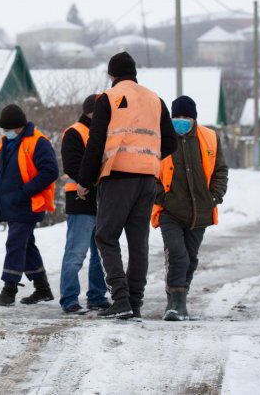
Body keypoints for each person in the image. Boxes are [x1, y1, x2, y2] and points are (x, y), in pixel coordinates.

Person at [77, 51, 177, 320]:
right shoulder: (155, 99)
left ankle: (120, 298)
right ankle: (135, 301)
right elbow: (171, 142)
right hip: (147, 179)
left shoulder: (108, 99)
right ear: (134, 73)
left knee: (105, 236)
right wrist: (148, 157)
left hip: (118, 176)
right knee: (138, 242)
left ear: (111, 75)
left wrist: (84, 181)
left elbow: (95, 143)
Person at [151, 95, 228, 321]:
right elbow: (150, 173)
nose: (181, 121)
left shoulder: (210, 138)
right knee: (178, 255)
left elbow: (220, 170)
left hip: (199, 211)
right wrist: (163, 199)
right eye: (177, 117)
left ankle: (179, 299)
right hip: (169, 212)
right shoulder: (161, 139)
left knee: (190, 259)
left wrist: (213, 197)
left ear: (194, 118)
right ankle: (174, 306)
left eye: (186, 117)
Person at [0, 104, 59, 306]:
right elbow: (1, 171)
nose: (5, 132)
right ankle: (43, 289)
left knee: (15, 243)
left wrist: (26, 191)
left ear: (18, 126)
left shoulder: (38, 142)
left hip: (28, 204)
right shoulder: (6, 143)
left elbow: (50, 171)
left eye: (7, 129)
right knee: (26, 246)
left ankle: (9, 289)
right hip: (12, 204)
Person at [59, 94, 110, 314]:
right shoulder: (75, 132)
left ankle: (97, 296)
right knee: (76, 252)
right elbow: (72, 165)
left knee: (100, 254)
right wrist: (90, 182)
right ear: (91, 112)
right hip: (81, 199)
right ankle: (69, 299)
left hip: (102, 199)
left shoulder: (107, 132)